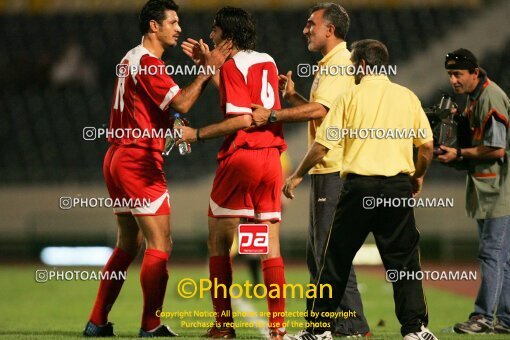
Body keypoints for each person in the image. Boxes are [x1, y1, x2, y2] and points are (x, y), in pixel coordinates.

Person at [83, 0, 231, 337]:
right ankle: (150, 326)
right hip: (138, 160)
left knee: (127, 245)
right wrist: (208, 70)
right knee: (160, 243)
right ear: (154, 25)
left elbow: (156, 108)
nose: (179, 29)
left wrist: (174, 122)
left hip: (117, 157)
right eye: (173, 22)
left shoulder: (131, 58)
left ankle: (97, 322)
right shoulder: (149, 64)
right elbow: (180, 101)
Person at [283, 39, 437, 340]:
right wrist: (417, 176)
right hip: (396, 189)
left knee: (335, 262)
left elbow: (322, 145)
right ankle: (415, 329)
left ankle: (319, 331)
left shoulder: (350, 97)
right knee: (404, 264)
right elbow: (427, 146)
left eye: (354, 65)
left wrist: (297, 175)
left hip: (358, 189)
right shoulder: (407, 97)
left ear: (363, 65)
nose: (352, 70)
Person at [251, 3, 370, 337]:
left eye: (310, 24)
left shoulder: (339, 65)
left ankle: (351, 328)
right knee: (319, 255)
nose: (305, 29)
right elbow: (321, 113)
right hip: (327, 171)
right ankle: (325, 327)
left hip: (334, 170)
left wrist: (272, 115)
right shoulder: (330, 65)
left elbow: (320, 110)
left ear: (329, 29)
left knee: (330, 253)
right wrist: (292, 99)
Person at [176, 7, 288, 340]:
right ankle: (278, 327)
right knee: (268, 245)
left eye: (214, 30)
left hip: (242, 158)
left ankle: (223, 326)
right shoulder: (266, 59)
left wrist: (195, 134)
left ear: (227, 35)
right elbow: (243, 96)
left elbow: (242, 118)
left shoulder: (232, 65)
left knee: (218, 241)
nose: (210, 35)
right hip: (271, 158)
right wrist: (208, 67)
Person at [438, 48, 510, 335]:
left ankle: (482, 317)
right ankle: (505, 319)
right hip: (488, 187)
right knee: (502, 258)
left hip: (499, 190)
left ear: (475, 73)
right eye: (450, 74)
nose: (453, 80)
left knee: (491, 254)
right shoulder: (475, 98)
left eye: (458, 74)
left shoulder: (490, 96)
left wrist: (458, 152)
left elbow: (497, 147)